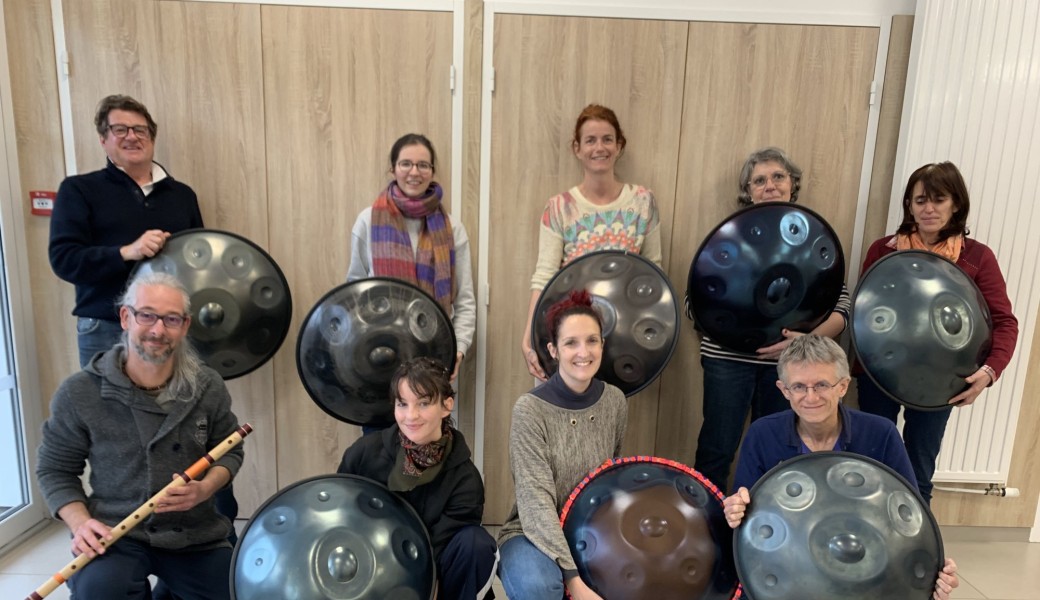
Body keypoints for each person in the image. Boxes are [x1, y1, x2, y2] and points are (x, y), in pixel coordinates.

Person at [35, 271, 243, 600]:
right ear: (125, 317)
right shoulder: (79, 392)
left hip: (195, 533)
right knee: (99, 591)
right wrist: (80, 523)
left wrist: (204, 489)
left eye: (171, 319)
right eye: (146, 315)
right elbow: (55, 469)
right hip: (116, 534)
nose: (158, 330)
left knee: (236, 590)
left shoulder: (208, 386)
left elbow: (230, 451)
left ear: (185, 326)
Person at [721, 334, 959, 600]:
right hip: (792, 562)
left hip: (862, 562)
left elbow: (911, 517)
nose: (811, 397)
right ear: (784, 390)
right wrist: (734, 509)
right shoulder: (763, 433)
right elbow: (744, 510)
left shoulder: (881, 433)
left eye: (822, 384)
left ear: (843, 386)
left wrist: (933, 570)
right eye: (799, 387)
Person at [688, 147, 851, 492]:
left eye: (778, 177)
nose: (770, 185)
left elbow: (843, 306)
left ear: (792, 183)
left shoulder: (812, 237)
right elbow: (694, 302)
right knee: (717, 448)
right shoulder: (728, 237)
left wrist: (805, 342)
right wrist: (729, 330)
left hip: (791, 365)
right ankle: (709, 531)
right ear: (748, 191)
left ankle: (769, 532)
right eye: (759, 180)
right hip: (728, 360)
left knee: (779, 450)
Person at [857, 162, 1018, 503]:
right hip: (878, 372)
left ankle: (918, 550)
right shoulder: (882, 250)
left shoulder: (977, 257)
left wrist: (989, 373)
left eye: (938, 199)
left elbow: (1004, 321)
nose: (928, 209)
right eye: (919, 201)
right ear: (909, 205)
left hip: (939, 380)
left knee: (918, 469)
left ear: (955, 204)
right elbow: (863, 310)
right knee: (870, 462)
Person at [49, 94, 204, 368]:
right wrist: (127, 252)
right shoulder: (79, 190)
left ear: (151, 138)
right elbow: (64, 260)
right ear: (103, 139)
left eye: (140, 130)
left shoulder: (182, 195)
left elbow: (200, 261)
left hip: (169, 327)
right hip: (105, 328)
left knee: (173, 406)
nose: (132, 137)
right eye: (120, 129)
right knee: (106, 410)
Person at [498, 290, 628, 600]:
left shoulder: (615, 401)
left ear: (602, 345)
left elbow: (611, 479)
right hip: (531, 531)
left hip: (591, 531)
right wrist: (574, 580)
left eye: (592, 340)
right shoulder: (530, 410)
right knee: (539, 587)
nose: (583, 352)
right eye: (571, 342)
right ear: (553, 350)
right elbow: (535, 501)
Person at [521, 104, 662, 379]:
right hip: (569, 336)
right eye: (591, 140)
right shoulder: (559, 207)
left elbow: (654, 270)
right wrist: (528, 337)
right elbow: (544, 275)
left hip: (622, 335)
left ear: (619, 146)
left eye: (607, 139)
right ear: (577, 148)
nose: (600, 147)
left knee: (607, 414)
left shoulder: (644, 202)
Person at [337, 356, 497, 598]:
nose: (411, 416)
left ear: (446, 405)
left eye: (423, 404)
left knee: (476, 543)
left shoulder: (466, 479)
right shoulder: (364, 453)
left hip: (431, 575)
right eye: (402, 404)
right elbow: (341, 514)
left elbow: (437, 552)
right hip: (371, 566)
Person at [347, 133, 475, 383]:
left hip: (434, 353)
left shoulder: (452, 228)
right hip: (377, 352)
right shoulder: (368, 221)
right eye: (406, 163)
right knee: (381, 423)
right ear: (393, 168)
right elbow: (353, 293)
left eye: (423, 165)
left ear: (432, 171)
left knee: (426, 423)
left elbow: (465, 300)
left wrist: (458, 350)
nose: (414, 172)